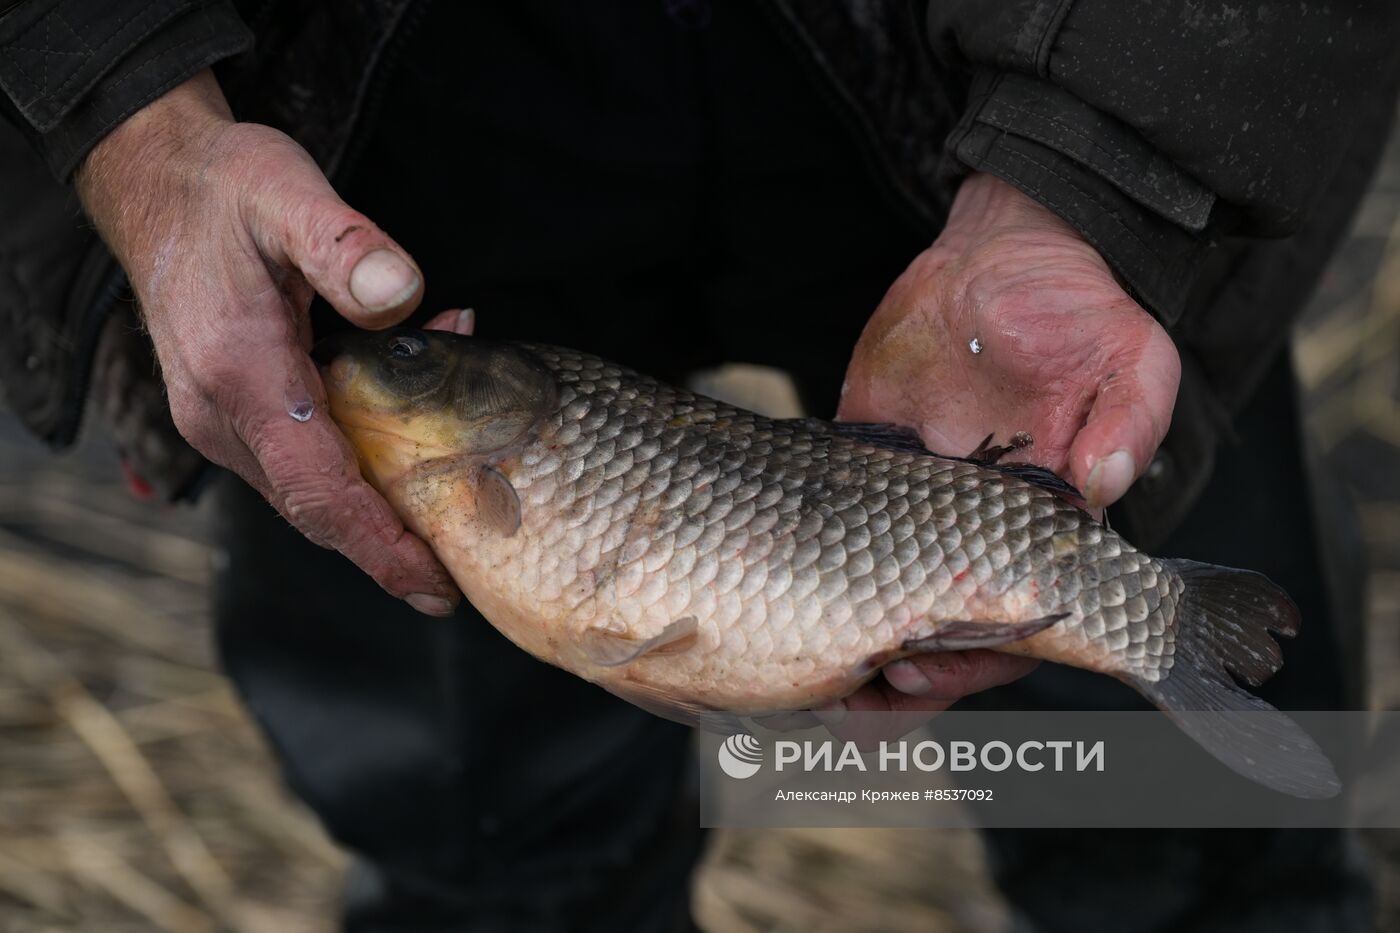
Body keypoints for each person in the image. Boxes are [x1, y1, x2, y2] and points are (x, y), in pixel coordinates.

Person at [1, 2, 1396, 930]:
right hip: (370, 123)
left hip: (1014, 67)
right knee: (493, 851)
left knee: (1190, 821)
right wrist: (136, 112)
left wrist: (1094, 174)